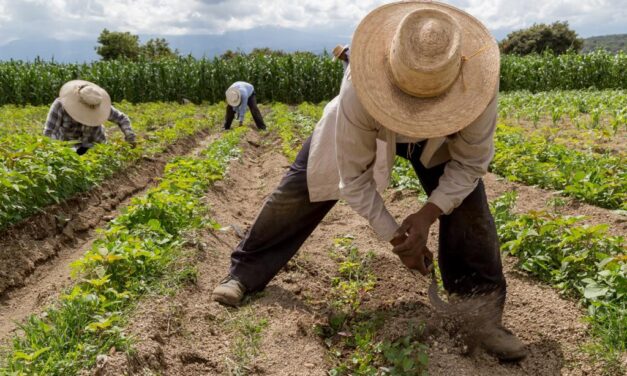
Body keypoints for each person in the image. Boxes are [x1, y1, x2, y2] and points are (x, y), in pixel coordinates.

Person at [213, 1, 527, 361]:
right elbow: (353, 179)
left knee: (470, 213)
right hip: (371, 126)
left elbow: (471, 164)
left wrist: (427, 214)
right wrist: (397, 237)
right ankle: (245, 272)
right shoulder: (359, 90)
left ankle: (481, 318)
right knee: (299, 191)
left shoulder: (478, 87)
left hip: (444, 142)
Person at [43, 80, 136, 155]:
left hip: (96, 148)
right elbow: (50, 133)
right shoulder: (61, 105)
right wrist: (58, 152)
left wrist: (130, 137)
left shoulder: (97, 104)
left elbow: (122, 119)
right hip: (68, 151)